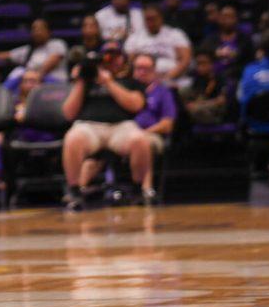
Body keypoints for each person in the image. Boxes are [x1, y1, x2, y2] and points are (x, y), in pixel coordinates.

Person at [60, 43, 148, 210]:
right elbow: (69, 113)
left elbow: (135, 105)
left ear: (123, 59)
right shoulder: (86, 82)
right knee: (72, 138)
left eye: (115, 56)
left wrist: (109, 82)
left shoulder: (130, 81)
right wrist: (81, 82)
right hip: (90, 127)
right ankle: (74, 191)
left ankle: (138, 190)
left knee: (140, 140)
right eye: (107, 56)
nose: (111, 60)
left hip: (121, 127)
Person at [81, 53, 173, 202]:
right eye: (139, 68)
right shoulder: (122, 87)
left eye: (147, 69)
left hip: (150, 133)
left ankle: (145, 189)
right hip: (119, 132)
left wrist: (143, 132)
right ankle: (79, 190)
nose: (142, 72)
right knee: (97, 147)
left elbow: (167, 124)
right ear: (132, 69)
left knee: (142, 142)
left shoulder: (163, 91)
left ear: (154, 70)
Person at [0, 17, 68, 88]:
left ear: (49, 32)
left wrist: (29, 77)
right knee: (18, 72)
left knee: (20, 73)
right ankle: (1, 93)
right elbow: (1, 55)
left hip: (55, 83)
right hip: (32, 84)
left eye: (40, 29)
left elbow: (45, 68)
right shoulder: (28, 50)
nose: (37, 32)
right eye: (34, 29)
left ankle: (2, 92)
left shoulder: (57, 44)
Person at [124, 4, 192, 82]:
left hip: (172, 78)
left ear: (161, 18)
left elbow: (185, 60)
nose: (150, 22)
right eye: (147, 19)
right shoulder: (134, 37)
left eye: (153, 18)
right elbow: (129, 62)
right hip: (142, 80)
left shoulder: (175, 34)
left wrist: (167, 78)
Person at [199, 2, 254, 83]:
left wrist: (235, 54)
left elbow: (250, 61)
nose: (227, 20)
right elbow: (201, 50)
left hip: (237, 78)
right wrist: (216, 52)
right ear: (219, 19)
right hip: (213, 78)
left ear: (236, 19)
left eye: (230, 17)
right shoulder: (212, 38)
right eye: (224, 17)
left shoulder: (245, 39)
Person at [180, 48, 227, 125]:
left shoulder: (221, 78)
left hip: (215, 113)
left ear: (212, 64)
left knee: (195, 110)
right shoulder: (198, 79)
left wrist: (199, 105)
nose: (200, 67)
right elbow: (197, 95)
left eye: (204, 63)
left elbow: (221, 101)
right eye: (198, 64)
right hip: (200, 109)